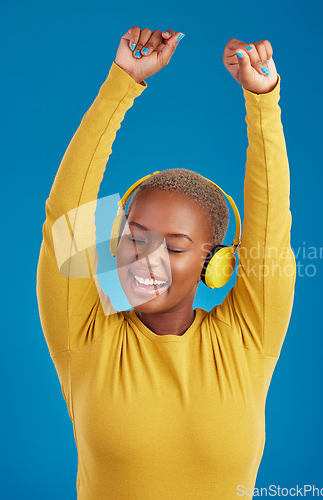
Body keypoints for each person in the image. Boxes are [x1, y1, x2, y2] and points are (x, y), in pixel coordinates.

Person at [36, 26, 296, 500]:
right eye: (135, 239)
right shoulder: (86, 338)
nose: (144, 259)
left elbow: (270, 237)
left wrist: (262, 104)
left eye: (174, 247)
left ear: (213, 264)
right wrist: (122, 83)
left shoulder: (247, 339)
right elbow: (67, 215)